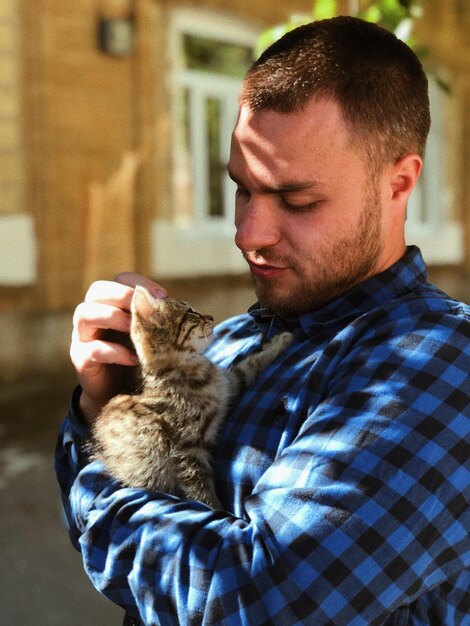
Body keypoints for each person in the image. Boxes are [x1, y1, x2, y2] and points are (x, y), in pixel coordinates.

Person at [56, 16, 470, 625]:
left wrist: (94, 489)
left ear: (399, 183)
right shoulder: (234, 340)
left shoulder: (438, 362)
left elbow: (249, 598)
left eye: (296, 201)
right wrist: (110, 406)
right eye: (242, 191)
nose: (248, 235)